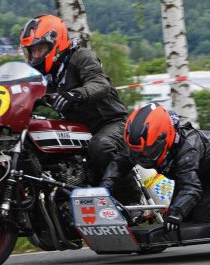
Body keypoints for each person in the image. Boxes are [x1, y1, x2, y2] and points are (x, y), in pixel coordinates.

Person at [20, 14, 140, 205]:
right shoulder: (44, 74)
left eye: (40, 49)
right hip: (77, 130)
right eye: (32, 51)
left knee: (101, 146)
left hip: (112, 122)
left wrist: (77, 94)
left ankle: (133, 200)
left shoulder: (81, 57)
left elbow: (100, 84)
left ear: (56, 43)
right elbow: (27, 92)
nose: (36, 56)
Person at [100, 103, 210, 231]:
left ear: (164, 139)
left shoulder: (188, 148)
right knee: (179, 219)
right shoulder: (140, 144)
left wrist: (176, 212)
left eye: (148, 151)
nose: (142, 157)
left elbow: (191, 187)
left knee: (201, 219)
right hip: (190, 174)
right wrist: (105, 187)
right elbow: (119, 163)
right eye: (138, 152)